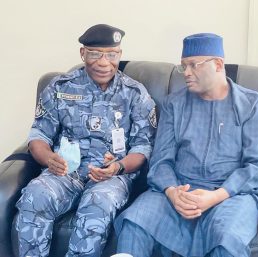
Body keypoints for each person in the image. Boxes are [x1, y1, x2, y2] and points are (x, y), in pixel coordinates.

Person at [115, 33, 258, 257]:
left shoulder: (252, 105)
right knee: (135, 221)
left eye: (193, 65)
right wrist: (172, 192)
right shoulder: (174, 104)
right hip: (179, 190)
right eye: (183, 67)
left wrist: (216, 195)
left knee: (226, 237)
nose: (186, 73)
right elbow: (161, 160)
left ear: (218, 64)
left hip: (231, 195)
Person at [15, 24, 156, 257]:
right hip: (64, 171)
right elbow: (38, 135)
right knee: (35, 195)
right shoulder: (60, 88)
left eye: (111, 55)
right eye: (95, 54)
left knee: (98, 204)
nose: (104, 62)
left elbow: (143, 147)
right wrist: (49, 158)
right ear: (83, 54)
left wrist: (118, 167)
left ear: (119, 55)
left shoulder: (135, 94)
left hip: (111, 175)